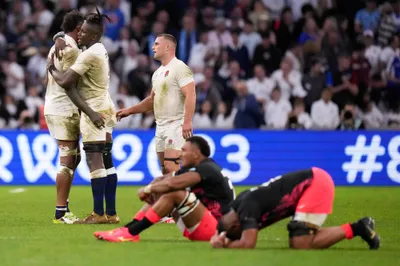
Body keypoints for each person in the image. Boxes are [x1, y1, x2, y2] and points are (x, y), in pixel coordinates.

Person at [47, 8, 120, 224]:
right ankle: (107, 212)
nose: (81, 35)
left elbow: (67, 83)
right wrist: (58, 36)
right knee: (99, 160)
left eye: (85, 32)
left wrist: (50, 68)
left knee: (92, 159)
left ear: (92, 34)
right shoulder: (95, 48)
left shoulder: (84, 52)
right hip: (93, 106)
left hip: (92, 109)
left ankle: (98, 214)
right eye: (80, 31)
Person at [94, 136, 236, 242]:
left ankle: (131, 232)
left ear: (196, 153)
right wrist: (154, 188)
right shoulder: (197, 168)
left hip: (216, 230)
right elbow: (163, 179)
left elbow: (172, 184)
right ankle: (127, 230)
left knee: (174, 193)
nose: (180, 155)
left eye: (184, 150)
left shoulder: (207, 168)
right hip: (202, 224)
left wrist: (148, 189)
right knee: (164, 189)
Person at [117, 33, 196, 223]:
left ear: (168, 47)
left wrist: (187, 121)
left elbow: (191, 94)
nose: (153, 47)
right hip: (160, 125)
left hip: (175, 124)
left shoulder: (180, 68)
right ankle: (172, 212)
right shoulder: (158, 73)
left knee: (172, 168)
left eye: (156, 44)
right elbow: (152, 101)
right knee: (165, 171)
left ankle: (183, 213)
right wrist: (130, 111)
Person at [211, 167, 380, 250]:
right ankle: (358, 227)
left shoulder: (247, 209)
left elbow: (248, 243)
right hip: (310, 183)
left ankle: (358, 228)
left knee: (301, 243)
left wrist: (225, 246)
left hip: (314, 184)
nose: (244, 232)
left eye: (238, 234)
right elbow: (227, 225)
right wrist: (221, 237)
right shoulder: (239, 204)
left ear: (235, 226)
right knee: (297, 241)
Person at [44, 10, 84, 224]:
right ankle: (60, 212)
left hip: (56, 104)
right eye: (84, 28)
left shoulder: (59, 44)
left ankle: (64, 206)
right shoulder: (71, 50)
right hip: (63, 108)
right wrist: (88, 109)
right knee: (68, 158)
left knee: (74, 158)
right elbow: (69, 83)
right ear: (78, 29)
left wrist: (57, 36)